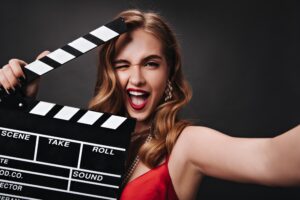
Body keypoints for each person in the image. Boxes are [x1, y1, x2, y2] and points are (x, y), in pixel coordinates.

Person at [0, 9, 299, 200]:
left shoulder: (186, 145)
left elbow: (270, 159)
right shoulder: (82, 143)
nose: (136, 78)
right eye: (122, 65)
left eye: (151, 64)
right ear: (109, 73)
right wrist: (17, 108)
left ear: (169, 71)